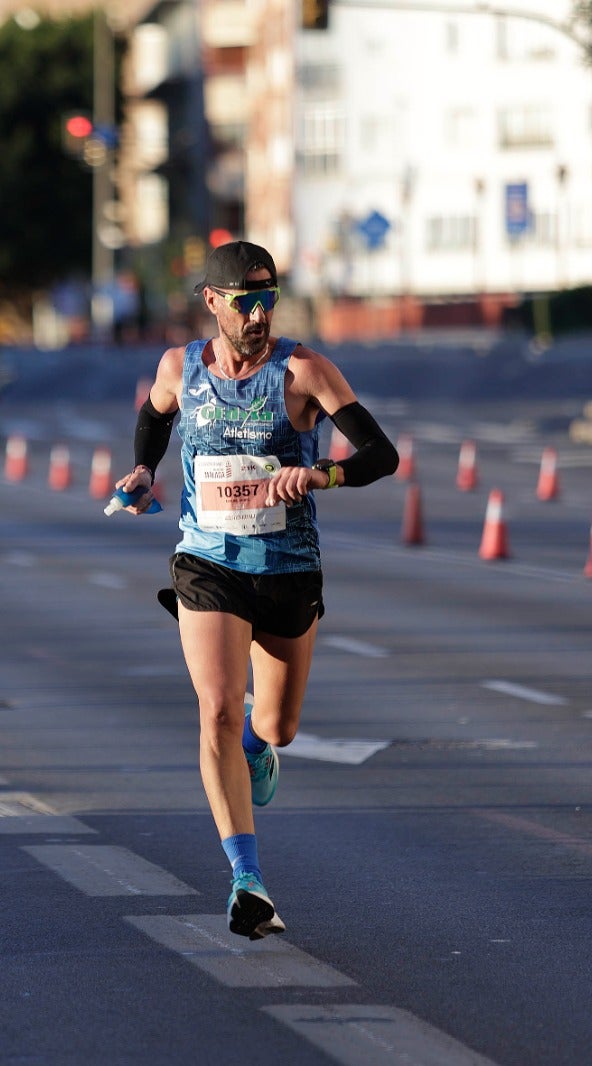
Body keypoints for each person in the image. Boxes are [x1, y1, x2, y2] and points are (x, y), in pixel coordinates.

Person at [111, 241, 398, 941]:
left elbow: (380, 455)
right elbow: (156, 417)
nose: (260, 314)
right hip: (208, 562)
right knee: (212, 709)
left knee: (276, 727)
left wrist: (322, 476)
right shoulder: (180, 368)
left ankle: (257, 739)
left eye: (270, 299)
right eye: (247, 302)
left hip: (288, 567)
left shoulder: (302, 371)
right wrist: (144, 472)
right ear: (213, 303)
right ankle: (247, 881)